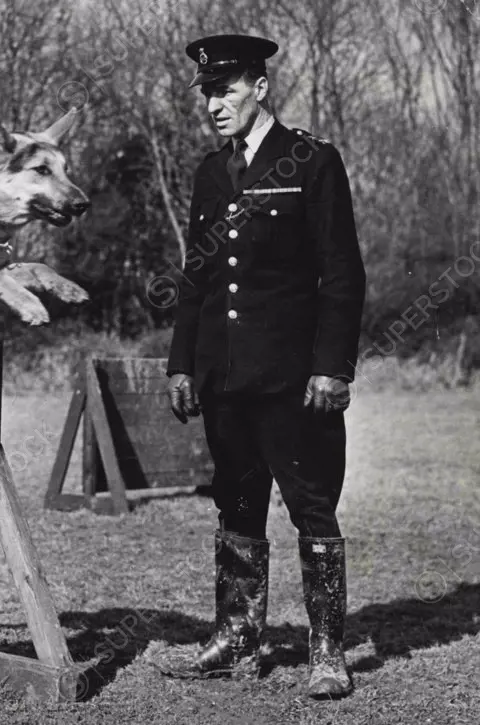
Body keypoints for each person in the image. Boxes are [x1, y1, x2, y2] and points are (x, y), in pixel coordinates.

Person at [164, 34, 366, 698]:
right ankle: (237, 636)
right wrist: (181, 365)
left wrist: (332, 367)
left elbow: (341, 275)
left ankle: (328, 650)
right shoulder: (209, 172)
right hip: (225, 378)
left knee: (311, 506)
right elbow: (197, 278)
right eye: (207, 93)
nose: (214, 104)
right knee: (238, 503)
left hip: (294, 380)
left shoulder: (311, 160)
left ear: (260, 87)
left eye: (226, 90)